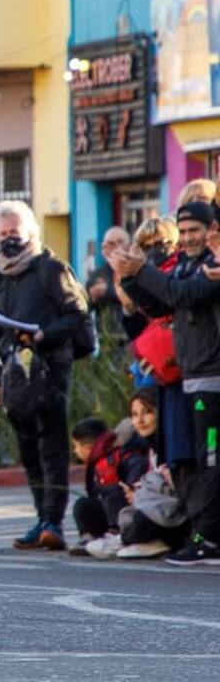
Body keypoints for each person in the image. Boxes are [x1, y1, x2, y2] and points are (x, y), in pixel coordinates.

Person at [114, 200, 220, 565]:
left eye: (195, 231)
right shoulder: (191, 264)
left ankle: (211, 536)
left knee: (211, 460)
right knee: (194, 462)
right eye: (185, 231)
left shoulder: (212, 266)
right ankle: (200, 531)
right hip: (190, 378)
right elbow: (164, 306)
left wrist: (143, 269)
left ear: (212, 231)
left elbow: (183, 294)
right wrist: (130, 278)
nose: (189, 238)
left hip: (211, 379)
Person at [0, 200, 90, 552]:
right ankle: (40, 516)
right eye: (2, 234)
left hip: (51, 366)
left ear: (30, 231)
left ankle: (53, 521)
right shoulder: (0, 274)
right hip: (16, 373)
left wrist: (44, 333)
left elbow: (76, 314)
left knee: (52, 445)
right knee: (28, 448)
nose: (9, 240)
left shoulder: (50, 267)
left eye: (14, 232)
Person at [115, 388, 192, 559]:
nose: (140, 420)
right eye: (134, 415)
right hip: (158, 509)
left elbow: (183, 491)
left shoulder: (176, 446)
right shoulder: (150, 449)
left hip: (178, 516)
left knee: (139, 524)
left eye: (147, 412)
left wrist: (145, 496)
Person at [68, 415, 148, 559]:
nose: (75, 451)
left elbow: (138, 464)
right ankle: (89, 537)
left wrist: (130, 486)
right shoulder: (98, 460)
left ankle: (116, 534)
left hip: (128, 510)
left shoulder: (119, 454)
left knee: (112, 493)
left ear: (87, 446)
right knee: (83, 505)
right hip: (108, 512)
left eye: (76, 446)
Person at [86, 226, 131, 339]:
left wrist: (108, 291)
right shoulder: (98, 274)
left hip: (132, 336)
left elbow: (134, 297)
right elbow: (86, 305)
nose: (116, 247)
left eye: (120, 242)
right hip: (105, 337)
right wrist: (91, 295)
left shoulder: (136, 270)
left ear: (129, 245)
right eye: (111, 243)